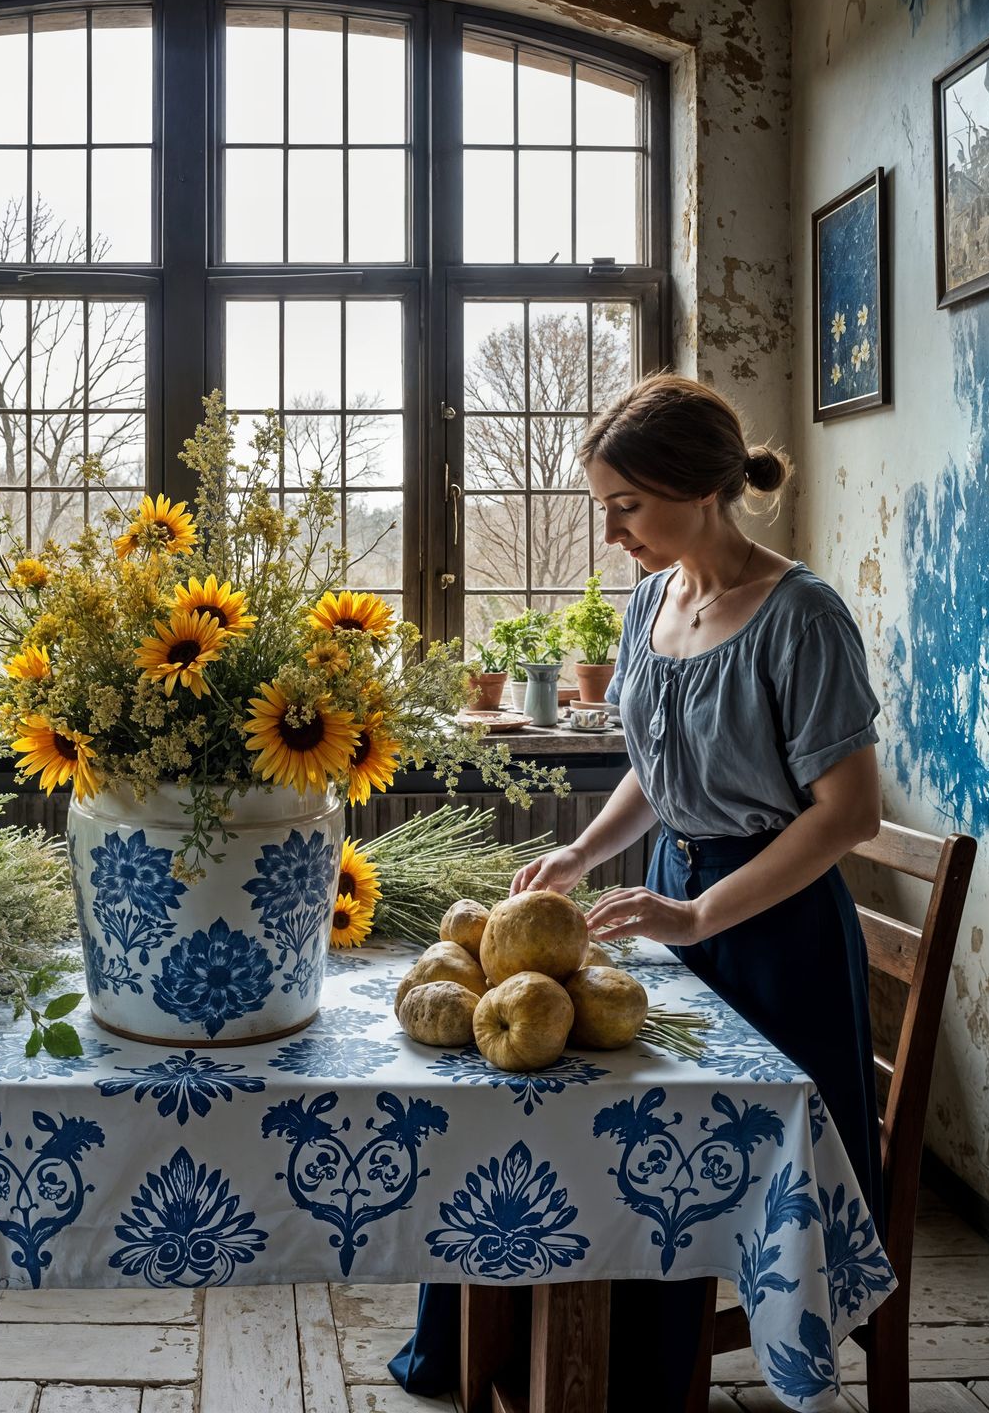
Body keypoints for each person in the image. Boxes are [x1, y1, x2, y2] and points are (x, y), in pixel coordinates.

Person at [389, 372, 885, 1412]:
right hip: (673, 900)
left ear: (702, 490)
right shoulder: (654, 600)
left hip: (776, 933)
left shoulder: (802, 616)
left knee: (691, 1157)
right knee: (599, 1125)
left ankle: (645, 1383)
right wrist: (580, 855)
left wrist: (701, 913)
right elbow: (655, 771)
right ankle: (523, 1355)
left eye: (626, 506)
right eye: (603, 507)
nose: (611, 533)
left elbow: (848, 815)